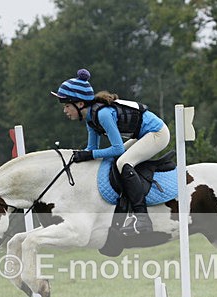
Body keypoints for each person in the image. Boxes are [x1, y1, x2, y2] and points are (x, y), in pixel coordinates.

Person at [51, 68, 170, 234]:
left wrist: (88, 154)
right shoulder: (90, 119)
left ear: (80, 104)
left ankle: (143, 219)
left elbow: (117, 148)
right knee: (112, 162)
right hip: (142, 135)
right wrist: (77, 157)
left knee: (123, 162)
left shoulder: (103, 115)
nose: (65, 111)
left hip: (157, 133)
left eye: (67, 106)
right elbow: (91, 149)